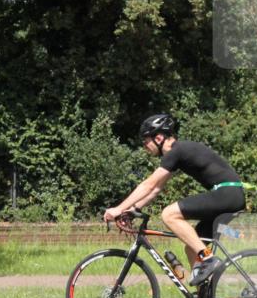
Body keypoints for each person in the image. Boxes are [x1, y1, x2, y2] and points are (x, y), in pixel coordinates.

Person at [103, 114, 246, 286]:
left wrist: (118, 209)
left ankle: (208, 258)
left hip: (227, 194)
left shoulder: (177, 151)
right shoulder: (178, 153)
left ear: (158, 138)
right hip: (229, 195)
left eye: (145, 141)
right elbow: (155, 189)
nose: (144, 146)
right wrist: (133, 210)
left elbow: (148, 185)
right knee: (192, 247)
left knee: (169, 214)